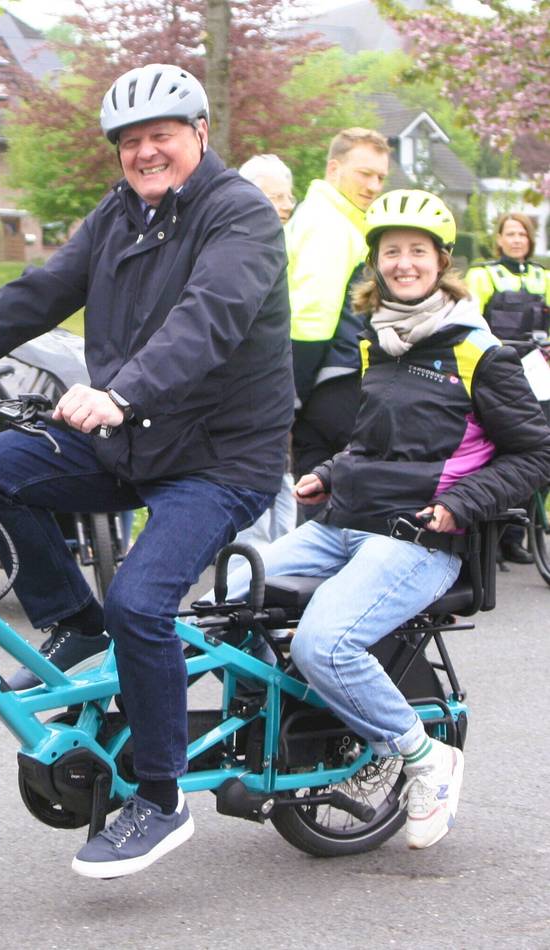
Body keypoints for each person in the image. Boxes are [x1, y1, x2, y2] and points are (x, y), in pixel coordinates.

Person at [0, 63, 294, 878]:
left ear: (199, 136)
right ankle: (73, 619)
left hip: (218, 459)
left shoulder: (239, 215)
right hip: (130, 443)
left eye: (160, 136)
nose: (145, 153)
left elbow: (207, 320)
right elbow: (40, 292)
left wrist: (120, 392)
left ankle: (161, 799)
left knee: (143, 600)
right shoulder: (120, 216)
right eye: (131, 141)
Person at [224, 189, 550, 850]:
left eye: (417, 252)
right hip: (341, 524)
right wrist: (335, 472)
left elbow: (536, 451)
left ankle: (425, 758)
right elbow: (380, 442)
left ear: (441, 261)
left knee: (324, 642)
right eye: (391, 252)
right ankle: (278, 733)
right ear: (376, 262)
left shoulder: (479, 353)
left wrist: (463, 504)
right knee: (225, 604)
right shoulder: (383, 342)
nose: (404, 264)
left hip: (417, 540)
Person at [286, 128, 391, 519]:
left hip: (325, 380)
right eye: (365, 173)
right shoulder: (329, 223)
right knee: (343, 507)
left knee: (317, 503)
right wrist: (294, 395)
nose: (374, 185)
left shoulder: (329, 217)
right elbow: (313, 314)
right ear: (334, 168)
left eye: (380, 177)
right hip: (334, 381)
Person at [465, 212, 550, 564]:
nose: (516, 240)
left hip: (536, 369)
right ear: (498, 238)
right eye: (509, 234)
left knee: (538, 447)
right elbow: (472, 321)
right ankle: (490, 532)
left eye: (522, 234)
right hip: (497, 369)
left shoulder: (542, 277)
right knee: (494, 450)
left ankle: (517, 534)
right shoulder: (482, 275)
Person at [236, 153, 297, 546]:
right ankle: (251, 560)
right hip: (245, 387)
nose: (288, 204)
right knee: (253, 473)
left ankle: (280, 553)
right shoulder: (239, 247)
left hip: (275, 381)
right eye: (277, 197)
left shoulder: (282, 242)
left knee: (282, 473)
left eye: (289, 195)